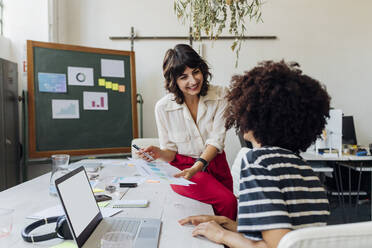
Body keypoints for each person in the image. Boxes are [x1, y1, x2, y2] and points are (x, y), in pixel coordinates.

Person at [179, 60, 331, 248]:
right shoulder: (304, 170)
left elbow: (275, 247)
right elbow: (278, 236)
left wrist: (221, 235)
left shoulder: (259, 161)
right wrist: (226, 224)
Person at [136, 44, 237, 220]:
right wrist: (158, 152)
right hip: (183, 170)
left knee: (226, 212)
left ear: (203, 70)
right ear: (173, 80)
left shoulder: (221, 95)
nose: (193, 81)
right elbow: (170, 153)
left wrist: (198, 166)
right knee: (228, 201)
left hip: (215, 164)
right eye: (184, 77)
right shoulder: (163, 107)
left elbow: (216, 140)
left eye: (196, 72)